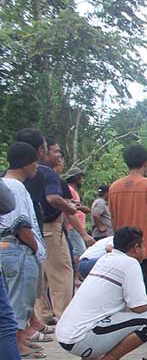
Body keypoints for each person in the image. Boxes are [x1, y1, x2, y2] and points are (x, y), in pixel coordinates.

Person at [0, 146, 65, 360]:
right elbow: (9, 206)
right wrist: (37, 248)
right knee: (6, 322)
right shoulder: (11, 186)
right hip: (14, 248)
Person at [55, 226, 147, 360]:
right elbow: (139, 307)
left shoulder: (106, 258)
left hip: (65, 336)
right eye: (144, 245)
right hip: (81, 339)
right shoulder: (130, 263)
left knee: (111, 313)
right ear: (136, 248)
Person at [14, 130, 91, 322]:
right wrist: (70, 209)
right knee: (62, 272)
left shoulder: (13, 176)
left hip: (23, 231)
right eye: (53, 150)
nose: (57, 155)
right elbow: (53, 198)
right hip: (48, 228)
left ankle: (43, 317)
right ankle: (65, 316)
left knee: (41, 276)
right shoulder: (46, 173)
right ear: (41, 151)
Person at [1, 143, 47, 359]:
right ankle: (18, 342)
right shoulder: (16, 187)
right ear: (27, 163)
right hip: (17, 247)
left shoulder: (5, 183)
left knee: (13, 295)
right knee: (20, 295)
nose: (36, 167)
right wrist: (36, 248)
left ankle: (20, 340)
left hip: (7, 247)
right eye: (35, 162)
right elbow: (21, 226)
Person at [107, 144, 147, 299]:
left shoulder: (114, 187)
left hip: (122, 250)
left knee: (121, 294)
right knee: (144, 294)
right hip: (144, 251)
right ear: (146, 162)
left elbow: (112, 217)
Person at [64, 171, 89, 263]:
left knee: (78, 251)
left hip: (77, 227)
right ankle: (76, 276)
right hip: (73, 226)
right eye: (80, 178)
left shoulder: (74, 191)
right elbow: (69, 207)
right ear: (75, 178)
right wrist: (81, 207)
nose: (82, 180)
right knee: (80, 251)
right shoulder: (69, 190)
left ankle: (76, 275)